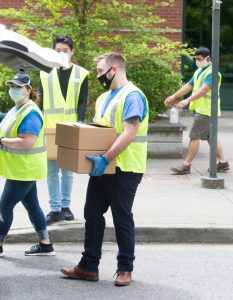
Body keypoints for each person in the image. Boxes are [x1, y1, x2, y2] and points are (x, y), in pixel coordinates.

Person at [60, 52, 149, 286]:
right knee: (92, 213)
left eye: (101, 71)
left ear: (114, 70)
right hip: (103, 166)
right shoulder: (104, 98)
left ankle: (125, 268)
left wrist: (105, 158)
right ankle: (89, 266)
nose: (99, 76)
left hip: (125, 167)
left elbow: (130, 133)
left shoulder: (133, 96)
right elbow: (100, 131)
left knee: (121, 218)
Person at [0, 73, 55, 257]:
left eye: (18, 87)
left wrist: (1, 140)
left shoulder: (30, 112)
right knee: (32, 205)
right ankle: (45, 244)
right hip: (22, 168)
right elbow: (6, 120)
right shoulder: (18, 108)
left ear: (28, 90)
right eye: (12, 86)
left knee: (4, 206)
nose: (14, 90)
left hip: (24, 170)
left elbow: (27, 142)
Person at [38, 35, 89, 225]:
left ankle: (65, 207)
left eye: (65, 51)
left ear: (71, 52)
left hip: (71, 127)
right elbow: (40, 101)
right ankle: (54, 208)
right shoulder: (45, 73)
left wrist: (82, 122)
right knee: (51, 172)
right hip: (49, 127)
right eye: (57, 50)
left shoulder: (81, 74)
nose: (61, 54)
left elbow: (83, 100)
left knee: (67, 170)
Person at [164, 46, 229, 175]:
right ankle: (222, 163)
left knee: (194, 136)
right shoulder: (199, 71)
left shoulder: (213, 72)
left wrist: (187, 101)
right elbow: (189, 85)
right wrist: (174, 96)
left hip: (206, 110)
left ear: (208, 58)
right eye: (196, 59)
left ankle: (186, 165)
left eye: (199, 59)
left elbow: (204, 89)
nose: (197, 61)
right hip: (203, 109)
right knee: (211, 137)